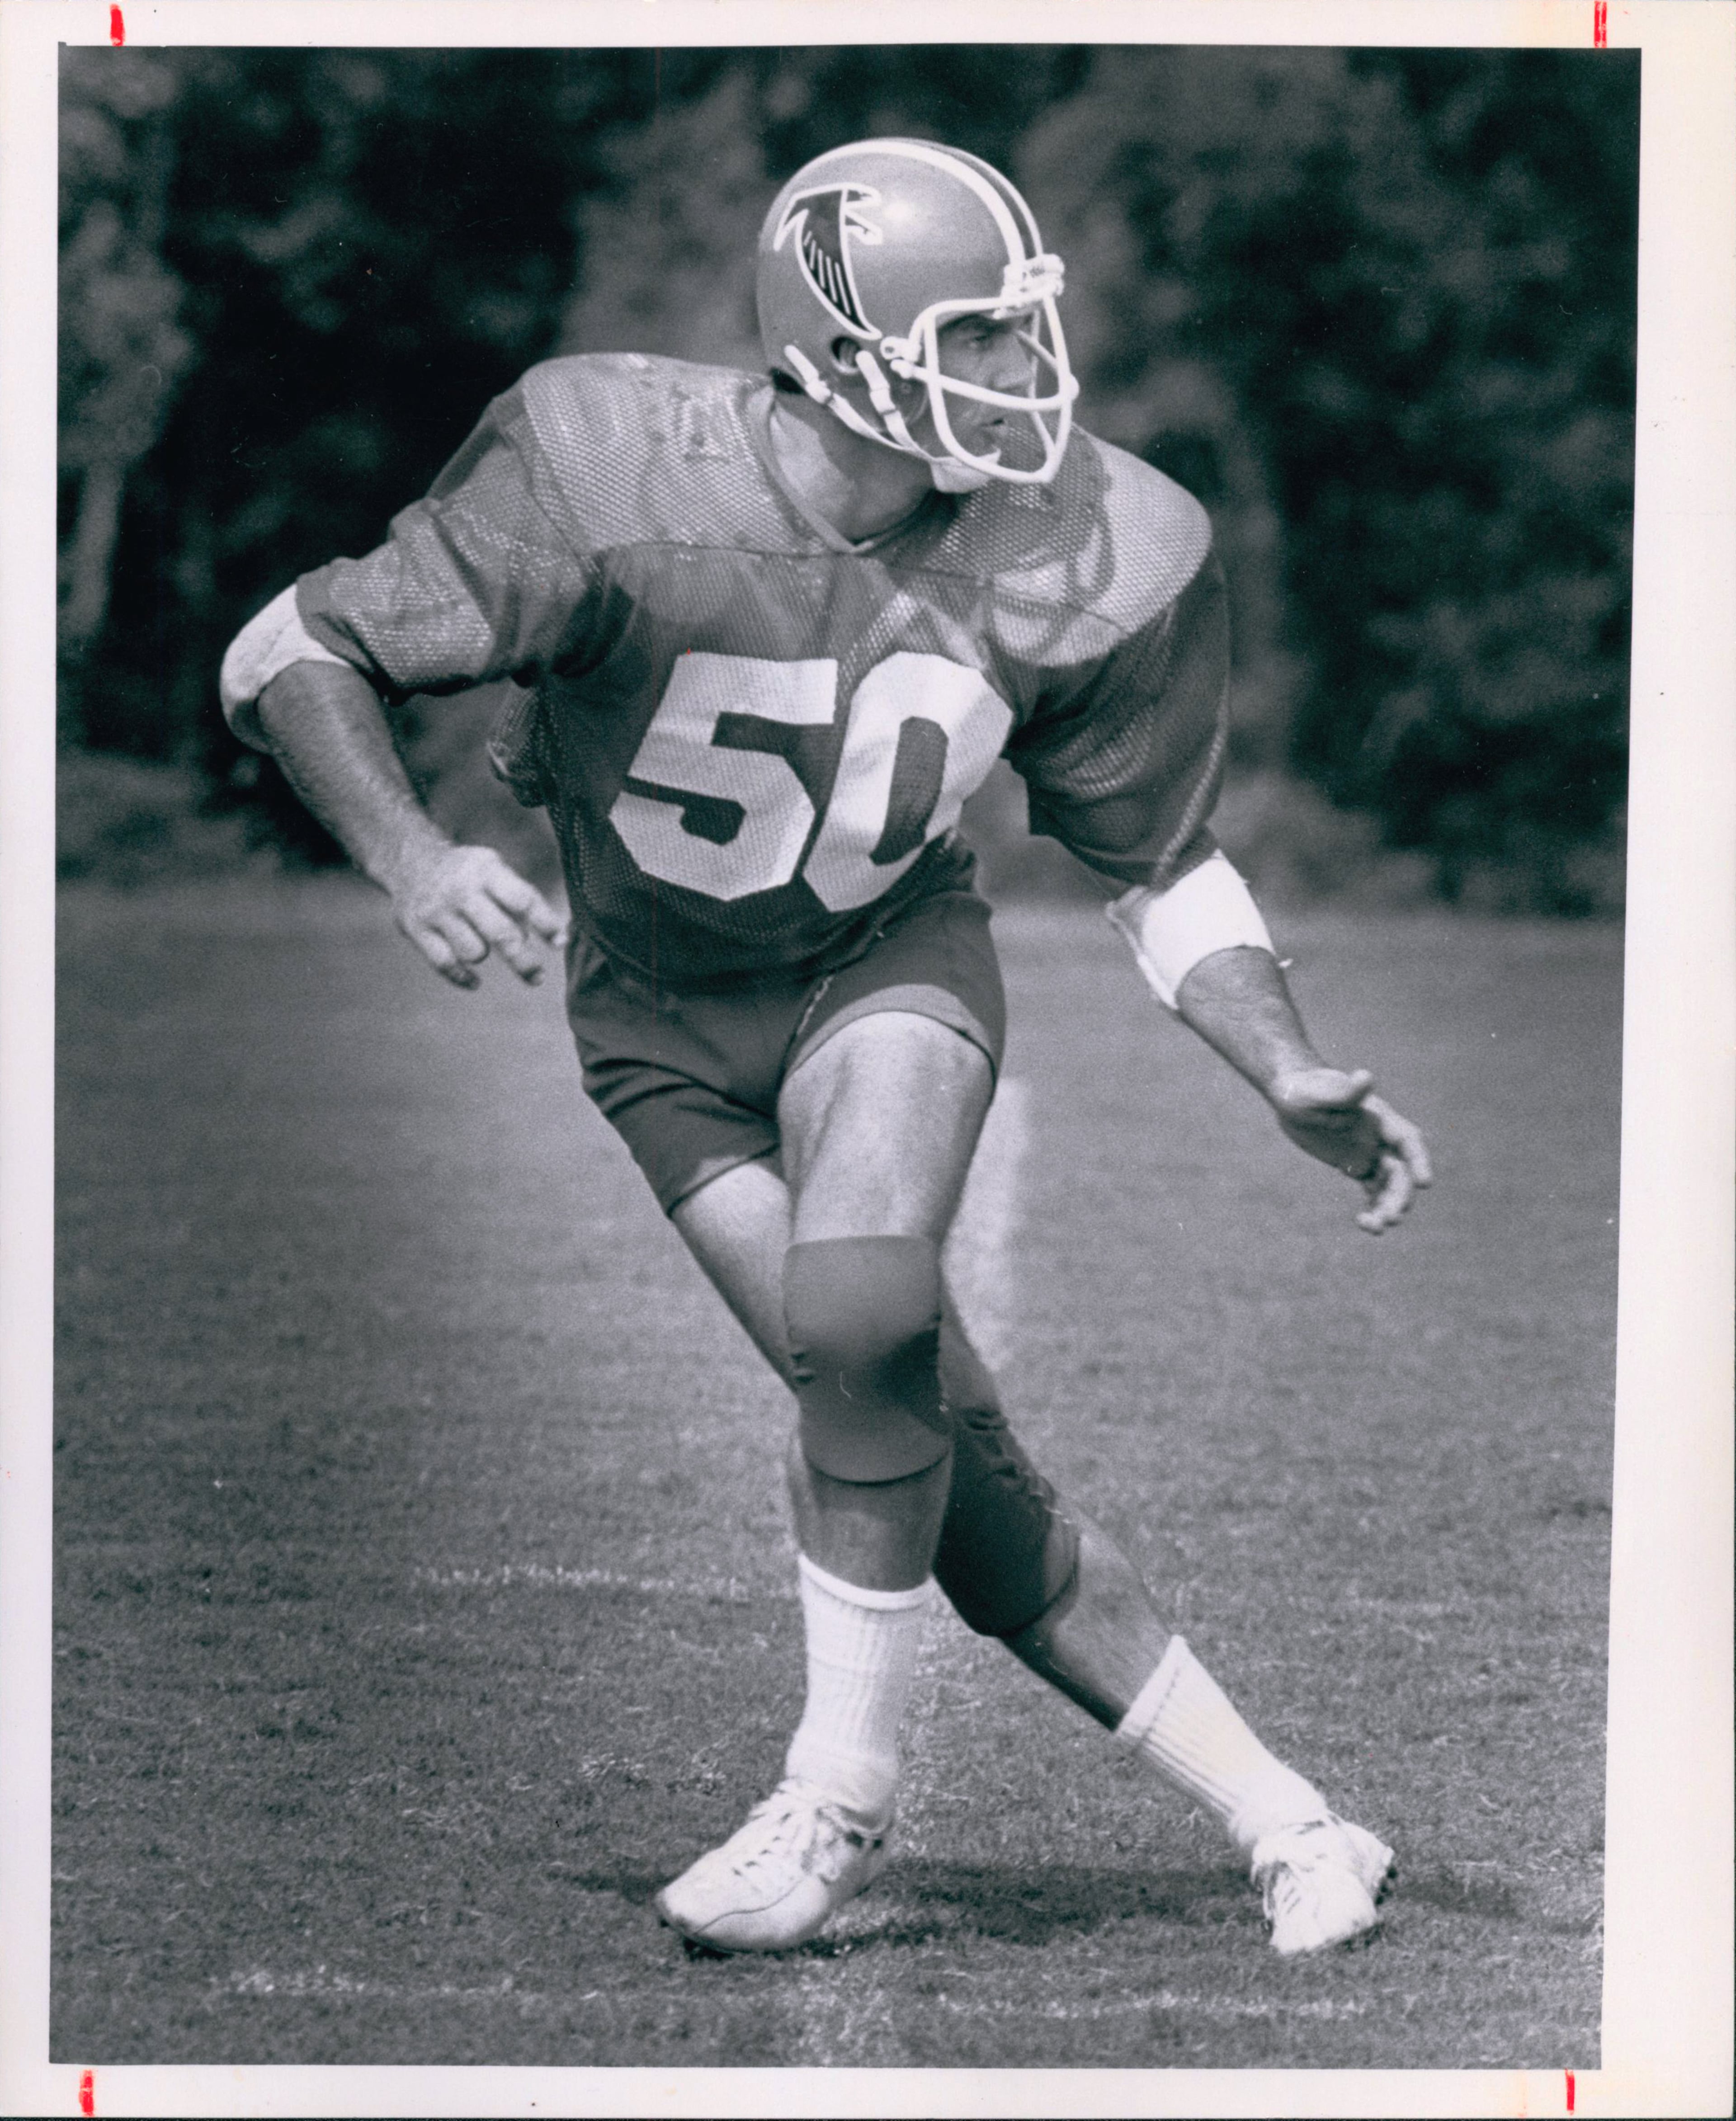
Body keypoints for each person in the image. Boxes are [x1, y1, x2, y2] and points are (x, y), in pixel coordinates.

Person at [220, 137, 1431, 1961]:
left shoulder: (1099, 541)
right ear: (837, 350)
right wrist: (413, 859)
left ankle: (837, 1800)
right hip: (655, 1026)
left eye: (1032, 338)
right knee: (932, 1454)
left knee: (862, 1320)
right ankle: (1290, 1816)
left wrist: (1284, 1064)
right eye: (983, 340)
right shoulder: (607, 469)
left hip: (888, 963)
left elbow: (1161, 864)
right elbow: (286, 647)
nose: (1031, 381)